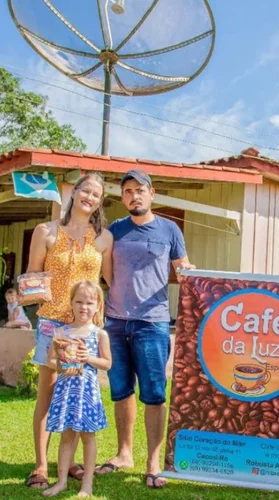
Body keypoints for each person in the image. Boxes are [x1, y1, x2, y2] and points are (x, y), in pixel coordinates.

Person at [95, 169, 194, 489]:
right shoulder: (115, 230)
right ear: (122, 197)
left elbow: (185, 271)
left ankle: (153, 462)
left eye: (139, 190)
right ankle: (124, 453)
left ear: (152, 194)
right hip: (115, 321)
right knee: (121, 389)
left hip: (153, 323)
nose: (133, 196)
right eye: (127, 191)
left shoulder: (169, 230)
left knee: (153, 393)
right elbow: (101, 264)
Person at [25, 172, 114, 489]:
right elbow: (32, 276)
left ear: (100, 202)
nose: (90, 197)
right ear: (74, 192)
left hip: (86, 330)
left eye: (97, 194)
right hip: (52, 324)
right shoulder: (46, 231)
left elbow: (108, 283)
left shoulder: (104, 239)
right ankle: (40, 466)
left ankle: (71, 462)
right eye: (86, 190)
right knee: (47, 396)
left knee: (76, 395)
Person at [43, 280, 112, 498]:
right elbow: (51, 361)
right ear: (71, 304)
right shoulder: (61, 332)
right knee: (66, 437)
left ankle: (87, 484)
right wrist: (63, 367)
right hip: (66, 391)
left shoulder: (99, 334)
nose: (84, 307)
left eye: (89, 303)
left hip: (87, 393)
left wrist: (88, 358)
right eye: (79, 301)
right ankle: (61, 481)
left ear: (98, 306)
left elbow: (108, 363)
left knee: (88, 437)